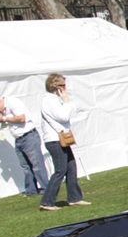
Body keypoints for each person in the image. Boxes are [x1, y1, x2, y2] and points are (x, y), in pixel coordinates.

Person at [38, 73, 90, 211]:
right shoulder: (50, 101)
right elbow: (62, 116)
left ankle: (74, 198)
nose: (65, 88)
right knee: (60, 170)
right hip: (54, 140)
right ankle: (47, 202)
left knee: (71, 167)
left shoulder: (53, 100)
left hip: (59, 139)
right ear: (58, 87)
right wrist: (66, 102)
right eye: (63, 85)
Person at [0, 93, 47, 197]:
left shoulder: (12, 102)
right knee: (25, 166)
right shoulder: (4, 110)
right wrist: (2, 126)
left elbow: (21, 118)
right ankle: (31, 191)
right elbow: (8, 123)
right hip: (19, 139)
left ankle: (46, 188)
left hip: (28, 136)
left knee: (36, 164)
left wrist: (4, 119)